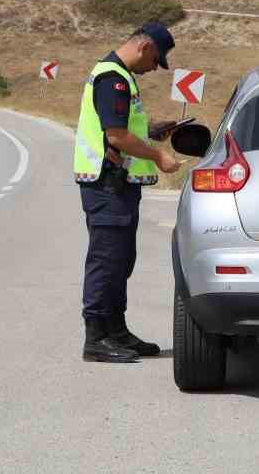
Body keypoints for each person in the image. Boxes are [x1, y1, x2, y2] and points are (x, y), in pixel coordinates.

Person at [73, 22, 183, 363]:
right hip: (107, 185)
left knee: (121, 261)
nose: (155, 67)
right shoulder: (113, 78)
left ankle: (117, 331)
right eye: (156, 59)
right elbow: (117, 137)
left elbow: (121, 128)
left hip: (116, 186)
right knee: (106, 262)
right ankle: (96, 338)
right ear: (145, 47)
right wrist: (158, 155)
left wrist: (150, 131)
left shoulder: (119, 77)